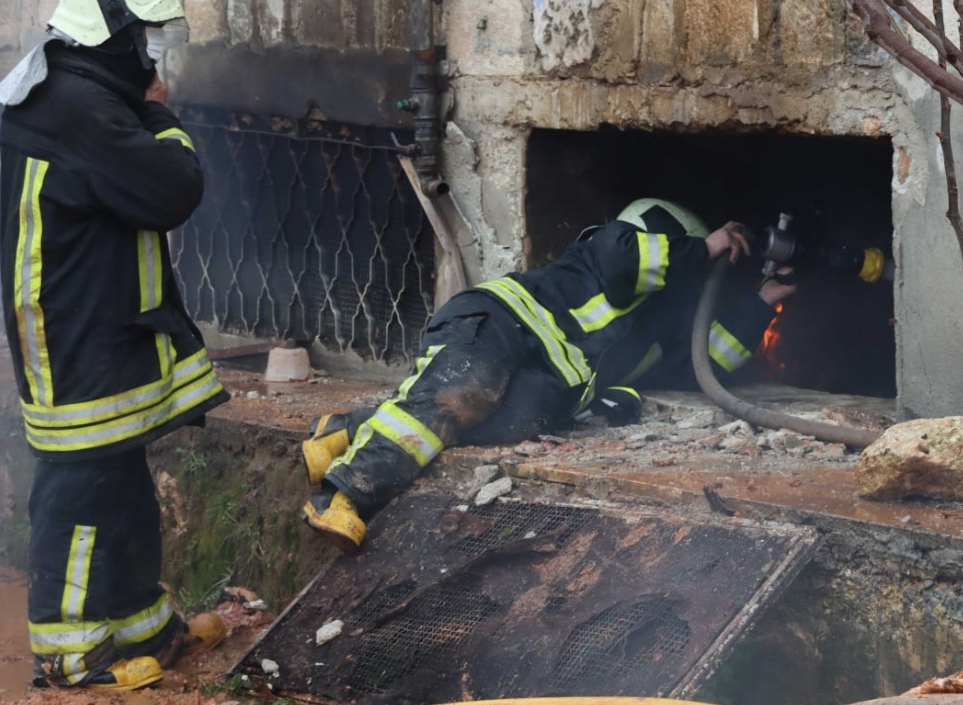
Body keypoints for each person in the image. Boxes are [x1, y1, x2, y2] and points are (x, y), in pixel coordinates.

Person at [299, 198, 797, 551]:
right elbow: (627, 259)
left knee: (488, 421)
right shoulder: (607, 247)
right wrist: (706, 248)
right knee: (460, 396)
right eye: (681, 250)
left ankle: (346, 430)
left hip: (543, 382)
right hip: (499, 324)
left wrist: (762, 303)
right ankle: (343, 495)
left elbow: (701, 363)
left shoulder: (653, 325)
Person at [0, 0, 229, 692]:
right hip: (74, 330)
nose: (149, 53)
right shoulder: (80, 107)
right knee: (80, 489)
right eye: (141, 38)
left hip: (92, 318)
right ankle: (67, 653)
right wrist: (159, 113)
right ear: (111, 34)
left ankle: (143, 626)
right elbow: (174, 188)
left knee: (120, 480)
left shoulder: (70, 89)